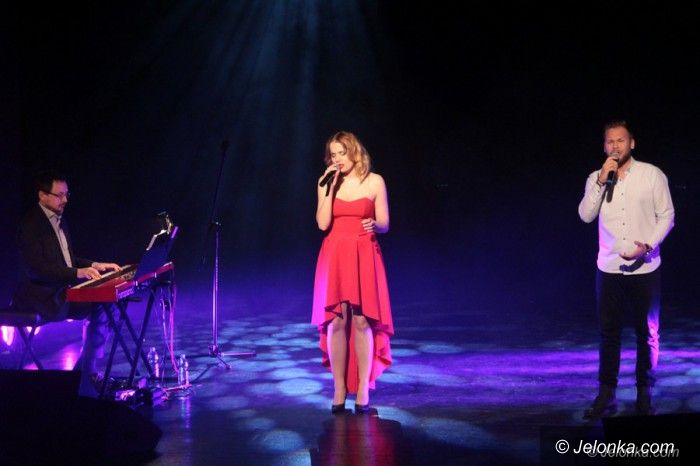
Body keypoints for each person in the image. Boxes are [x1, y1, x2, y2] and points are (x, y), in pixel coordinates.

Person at [578, 120, 674, 419]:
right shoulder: (596, 177)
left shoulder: (651, 175)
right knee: (609, 333)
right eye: (610, 141)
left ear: (632, 143)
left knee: (647, 333)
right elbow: (585, 215)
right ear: (604, 146)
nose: (615, 146)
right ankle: (606, 393)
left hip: (645, 267)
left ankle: (644, 392)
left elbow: (667, 216)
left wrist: (648, 245)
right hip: (608, 267)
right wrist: (599, 182)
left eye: (621, 140)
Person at [12, 170, 121, 396]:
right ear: (42, 195)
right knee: (102, 303)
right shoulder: (31, 225)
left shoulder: (60, 221)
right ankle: (86, 373)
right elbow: (37, 270)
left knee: (109, 302)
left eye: (66, 194)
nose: (65, 200)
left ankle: (85, 371)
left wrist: (96, 264)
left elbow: (67, 261)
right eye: (59, 195)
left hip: (61, 291)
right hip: (42, 296)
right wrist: (78, 273)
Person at [312, 131, 394, 414]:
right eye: (333, 154)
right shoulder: (326, 182)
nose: (337, 159)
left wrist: (375, 225)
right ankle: (338, 388)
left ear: (354, 151)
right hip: (335, 253)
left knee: (361, 321)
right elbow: (322, 224)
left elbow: (385, 223)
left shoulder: (375, 181)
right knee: (336, 321)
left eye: (341, 153)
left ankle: (362, 388)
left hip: (363, 252)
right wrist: (328, 187)